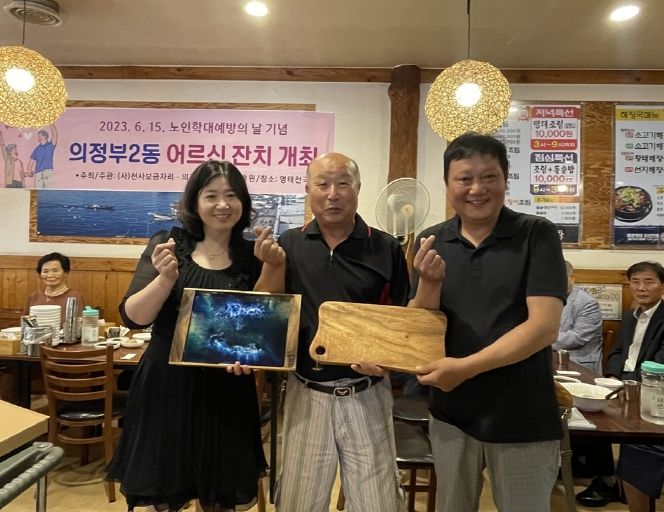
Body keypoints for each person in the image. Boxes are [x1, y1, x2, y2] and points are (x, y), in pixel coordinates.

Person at [409, 132, 567, 512]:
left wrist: (465, 368)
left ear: (505, 179)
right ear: (447, 184)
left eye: (489, 177)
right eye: (464, 178)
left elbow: (543, 327)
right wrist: (429, 283)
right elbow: (421, 325)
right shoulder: (431, 240)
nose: (477, 189)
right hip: (450, 414)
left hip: (523, 414)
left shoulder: (536, 233)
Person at [106, 160, 267, 512]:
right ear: (195, 201)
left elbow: (260, 326)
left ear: (243, 202)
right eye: (211, 196)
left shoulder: (251, 256)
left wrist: (251, 356)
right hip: (166, 385)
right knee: (164, 494)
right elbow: (134, 318)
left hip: (227, 390)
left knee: (220, 497)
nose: (222, 204)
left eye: (231, 195)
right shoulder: (168, 244)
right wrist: (165, 279)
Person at [254, 152, 410, 512]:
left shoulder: (385, 247)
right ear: (308, 189)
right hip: (306, 392)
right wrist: (271, 266)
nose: (333, 194)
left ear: (358, 188)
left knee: (378, 505)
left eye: (343, 183)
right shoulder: (288, 244)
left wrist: (387, 362)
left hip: (368, 392)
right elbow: (267, 313)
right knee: (298, 503)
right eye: (322, 184)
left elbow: (401, 320)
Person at [574, 260, 664, 508]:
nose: (641, 288)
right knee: (590, 416)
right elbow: (617, 351)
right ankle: (611, 480)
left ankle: (625, 486)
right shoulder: (630, 315)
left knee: (634, 441)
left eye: (648, 282)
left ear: (662, 286)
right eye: (635, 282)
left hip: (651, 390)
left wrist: (630, 385)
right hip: (623, 384)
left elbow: (660, 362)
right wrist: (613, 377)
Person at [553, 260, 603, 373]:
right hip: (550, 358)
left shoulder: (588, 303)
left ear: (571, 278)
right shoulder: (546, 300)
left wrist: (540, 339)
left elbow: (577, 338)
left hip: (578, 364)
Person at [23, 252, 85, 325]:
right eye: (45, 271)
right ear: (40, 274)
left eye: (55, 271)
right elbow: (24, 323)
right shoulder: (34, 296)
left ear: (65, 273)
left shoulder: (75, 296)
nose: (50, 275)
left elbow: (79, 324)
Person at [27, 124, 58, 189]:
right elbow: (31, 162)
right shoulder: (36, 149)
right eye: (38, 137)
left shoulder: (50, 145)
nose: (38, 138)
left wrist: (51, 123)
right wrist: (29, 171)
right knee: (38, 192)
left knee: (48, 191)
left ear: (45, 136)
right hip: (38, 173)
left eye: (40, 136)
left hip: (48, 172)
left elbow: (55, 135)